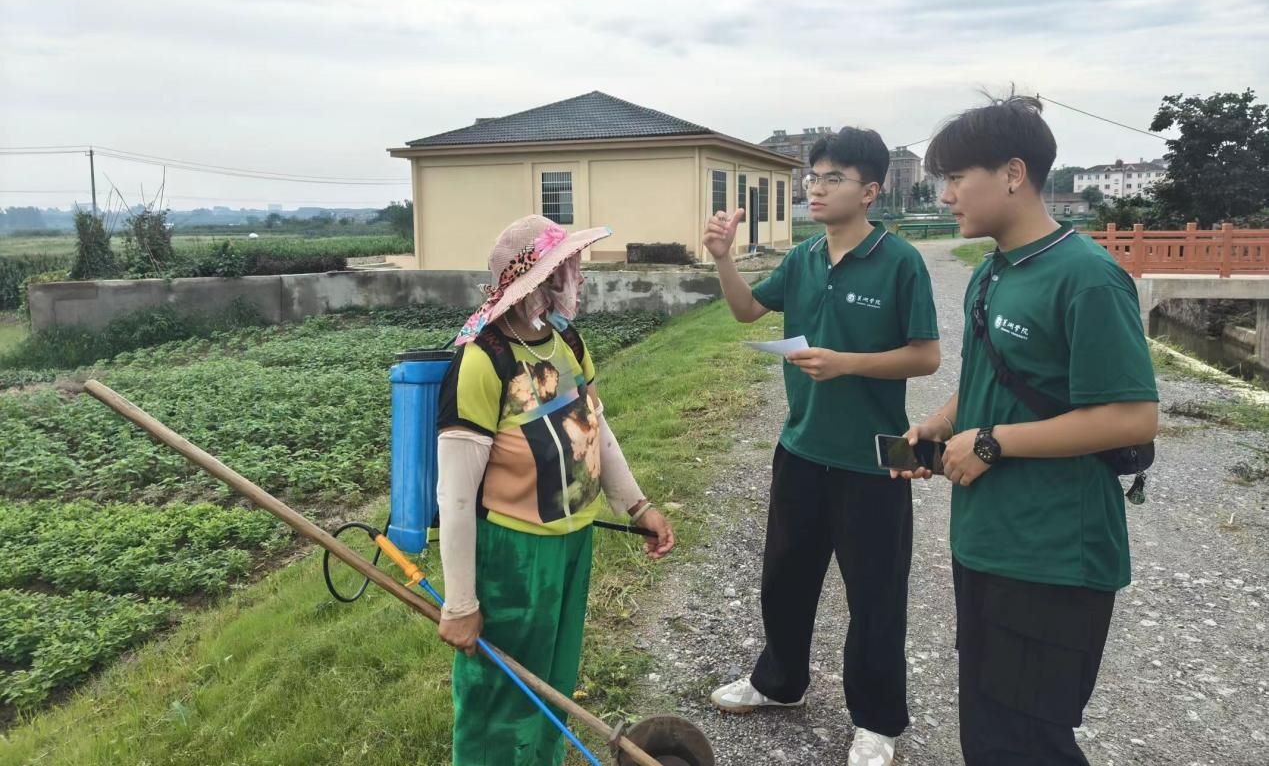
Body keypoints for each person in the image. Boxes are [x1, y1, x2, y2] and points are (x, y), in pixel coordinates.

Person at [899, 94, 1159, 765]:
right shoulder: (992, 271)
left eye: (957, 178)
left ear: (1013, 174)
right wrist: (939, 426)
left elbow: (1132, 415)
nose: (945, 196)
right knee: (988, 733)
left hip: (1053, 555)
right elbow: (988, 378)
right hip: (985, 541)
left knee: (1027, 743)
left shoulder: (1087, 277)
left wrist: (994, 443)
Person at [705, 127, 941, 766]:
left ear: (869, 191)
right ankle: (780, 683)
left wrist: (847, 363)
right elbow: (747, 312)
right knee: (785, 577)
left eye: (832, 178)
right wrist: (724, 258)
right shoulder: (804, 257)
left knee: (876, 595)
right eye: (812, 177)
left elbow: (926, 356)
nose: (815, 187)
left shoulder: (900, 261)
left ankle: (878, 721)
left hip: (876, 458)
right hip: (801, 447)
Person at [435, 214, 674, 766]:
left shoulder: (566, 341)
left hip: (572, 543)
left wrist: (637, 505)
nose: (579, 278)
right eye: (568, 268)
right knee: (502, 694)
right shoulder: (483, 360)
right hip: (514, 556)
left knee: (553, 686)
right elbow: (456, 496)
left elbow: (596, 427)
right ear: (536, 284)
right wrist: (461, 602)